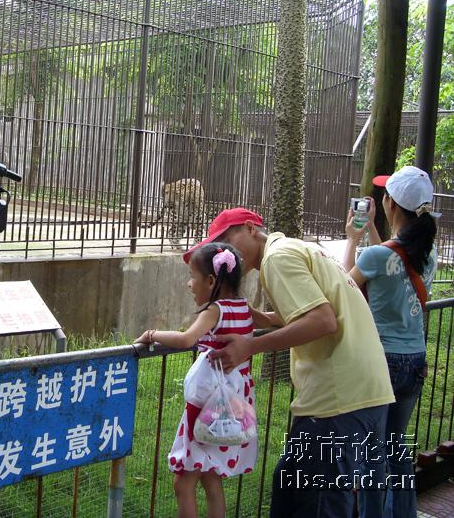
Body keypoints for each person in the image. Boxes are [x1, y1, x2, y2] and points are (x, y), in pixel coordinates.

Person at [186, 207, 394, 518]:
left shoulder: (277, 259)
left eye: (227, 239)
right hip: (364, 393)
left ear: (251, 228)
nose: (224, 251)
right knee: (290, 487)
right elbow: (306, 312)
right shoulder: (296, 248)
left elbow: (322, 321)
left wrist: (250, 346)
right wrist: (260, 316)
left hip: (337, 400)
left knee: (318, 505)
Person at [135, 242, 259, 518]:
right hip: (235, 403)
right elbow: (270, 320)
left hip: (208, 407)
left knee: (183, 482)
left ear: (211, 281)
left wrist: (152, 335)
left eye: (192, 277)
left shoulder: (215, 310)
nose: (189, 284)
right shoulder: (243, 307)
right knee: (211, 478)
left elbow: (186, 339)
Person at [343, 166, 439, 518]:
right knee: (395, 447)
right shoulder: (428, 255)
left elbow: (344, 289)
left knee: (371, 452)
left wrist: (352, 240)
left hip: (381, 361)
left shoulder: (376, 256)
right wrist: (371, 228)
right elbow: (391, 260)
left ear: (390, 204)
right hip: (414, 361)